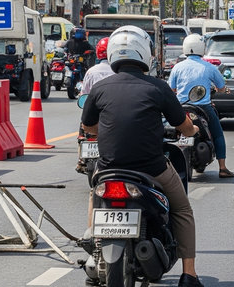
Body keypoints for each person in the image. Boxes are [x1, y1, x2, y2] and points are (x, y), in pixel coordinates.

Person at [81, 28, 204, 287]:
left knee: (94, 194)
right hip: (151, 168)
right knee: (182, 210)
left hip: (108, 169)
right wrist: (193, 130)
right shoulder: (158, 87)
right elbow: (183, 125)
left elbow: (88, 128)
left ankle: (94, 252)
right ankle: (189, 275)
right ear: (145, 54)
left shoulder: (100, 88)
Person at [169, 34, 233, 178]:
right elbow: (221, 87)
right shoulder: (209, 67)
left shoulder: (177, 67)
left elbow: (171, 89)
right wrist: (219, 89)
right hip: (203, 108)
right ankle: (222, 168)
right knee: (218, 134)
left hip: (181, 107)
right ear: (202, 48)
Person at [74, 37, 115, 174]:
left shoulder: (91, 71)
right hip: (113, 113)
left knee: (83, 129)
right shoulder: (118, 71)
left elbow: (84, 94)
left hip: (94, 112)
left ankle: (81, 160)